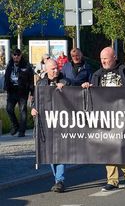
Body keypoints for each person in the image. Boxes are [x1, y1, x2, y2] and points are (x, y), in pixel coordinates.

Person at [82, 47, 125, 191]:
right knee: (108, 147)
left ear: (114, 57)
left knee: (124, 146)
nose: (103, 62)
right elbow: (93, 92)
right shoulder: (97, 74)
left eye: (106, 59)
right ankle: (112, 180)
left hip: (124, 115)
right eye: (101, 59)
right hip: (105, 117)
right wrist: (87, 86)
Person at [31, 59, 70, 193]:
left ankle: (60, 180)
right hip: (46, 124)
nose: (56, 70)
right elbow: (35, 100)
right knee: (50, 152)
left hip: (61, 123)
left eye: (57, 68)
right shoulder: (40, 84)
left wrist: (64, 87)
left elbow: (72, 90)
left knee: (60, 151)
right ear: (46, 70)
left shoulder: (64, 81)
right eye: (53, 68)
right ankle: (57, 179)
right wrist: (33, 109)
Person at [4, 48, 34, 137]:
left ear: (21, 56)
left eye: (18, 55)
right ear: (12, 56)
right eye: (14, 55)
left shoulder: (26, 65)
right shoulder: (9, 65)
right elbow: (6, 77)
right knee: (9, 109)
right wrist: (6, 87)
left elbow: (31, 79)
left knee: (22, 111)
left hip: (22, 91)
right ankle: (15, 125)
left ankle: (22, 131)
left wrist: (32, 93)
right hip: (12, 91)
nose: (16, 56)